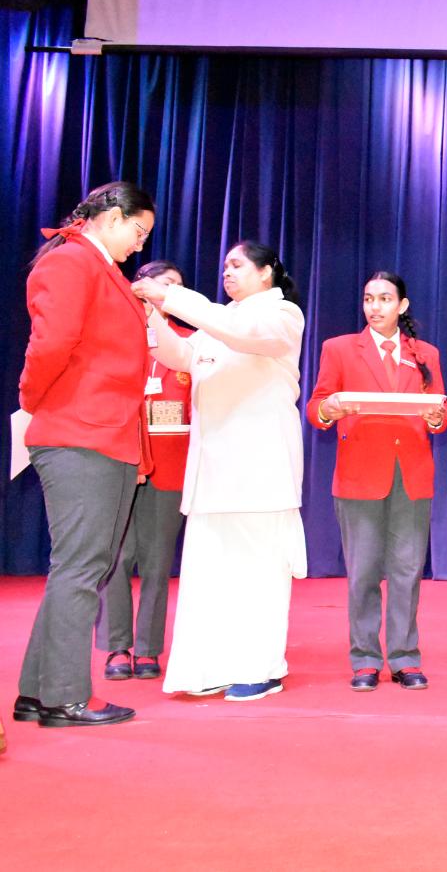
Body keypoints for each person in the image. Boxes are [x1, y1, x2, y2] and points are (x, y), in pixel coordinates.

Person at [133, 240, 306, 702]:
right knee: (210, 576)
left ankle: (262, 668)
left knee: (259, 575)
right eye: (224, 265)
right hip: (212, 471)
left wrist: (172, 296)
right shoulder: (218, 319)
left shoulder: (281, 314)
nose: (226, 272)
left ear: (266, 272)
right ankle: (209, 668)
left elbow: (240, 333)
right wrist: (152, 312)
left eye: (237, 265)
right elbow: (179, 356)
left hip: (261, 472)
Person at [13, 181, 154, 728]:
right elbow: (50, 345)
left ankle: (36, 691)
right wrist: (32, 399)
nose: (139, 245)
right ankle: (65, 697)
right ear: (112, 217)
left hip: (104, 433)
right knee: (81, 568)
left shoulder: (100, 269)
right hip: (80, 433)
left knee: (81, 566)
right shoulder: (72, 262)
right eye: (137, 231)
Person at [307, 271, 447, 692]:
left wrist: (436, 418)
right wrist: (329, 409)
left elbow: (441, 413)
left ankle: (405, 658)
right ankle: (365, 659)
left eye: (385, 299)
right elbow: (316, 406)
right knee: (363, 572)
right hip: (359, 476)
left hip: (411, 476)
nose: (375, 307)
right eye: (369, 298)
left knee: (407, 571)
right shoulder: (338, 349)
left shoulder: (425, 354)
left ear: (402, 306)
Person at [96, 260, 192, 682]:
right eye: (164, 284)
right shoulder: (114, 334)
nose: (170, 292)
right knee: (117, 557)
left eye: (178, 287)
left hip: (170, 464)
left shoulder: (189, 342)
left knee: (156, 561)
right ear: (140, 287)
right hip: (119, 460)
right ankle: (117, 646)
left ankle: (149, 649)